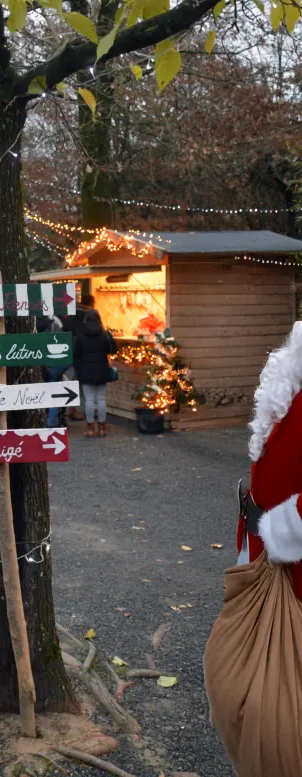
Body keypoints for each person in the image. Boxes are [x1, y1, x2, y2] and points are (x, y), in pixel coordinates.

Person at [204, 322, 302, 777]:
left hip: (292, 570)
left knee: (277, 707)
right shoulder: (292, 375)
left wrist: (285, 530)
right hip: (264, 552)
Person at [73, 308, 116, 437]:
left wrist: (78, 367)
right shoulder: (104, 334)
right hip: (102, 369)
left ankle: (90, 428)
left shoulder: (80, 334)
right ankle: (102, 428)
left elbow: (75, 354)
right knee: (101, 399)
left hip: (85, 371)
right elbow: (112, 350)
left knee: (89, 400)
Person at [38, 314, 66, 428]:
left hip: (39, 367)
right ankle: (51, 423)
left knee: (41, 395)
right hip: (54, 368)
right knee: (53, 396)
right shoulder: (55, 325)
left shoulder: (31, 326)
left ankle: (40, 420)